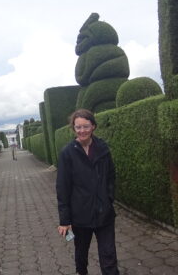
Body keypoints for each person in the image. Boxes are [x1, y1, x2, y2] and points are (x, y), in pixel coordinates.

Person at [56, 109, 118, 275]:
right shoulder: (67, 153)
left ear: (93, 127)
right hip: (80, 216)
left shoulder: (103, 148)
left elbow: (111, 176)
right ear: (74, 129)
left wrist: (108, 198)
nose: (82, 130)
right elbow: (62, 188)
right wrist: (65, 220)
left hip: (104, 212)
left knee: (109, 255)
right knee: (81, 255)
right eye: (78, 127)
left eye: (86, 126)